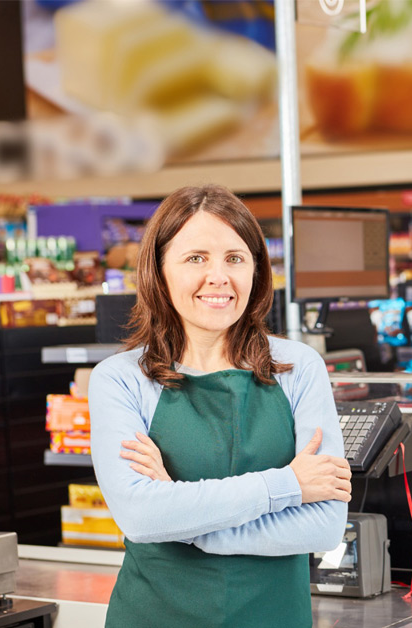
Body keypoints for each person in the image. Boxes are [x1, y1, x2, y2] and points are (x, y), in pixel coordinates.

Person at [88, 185, 350, 628]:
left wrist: (186, 524)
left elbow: (323, 526)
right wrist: (287, 485)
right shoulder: (120, 379)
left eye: (235, 258)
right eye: (196, 258)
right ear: (159, 270)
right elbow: (141, 516)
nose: (219, 276)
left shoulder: (299, 368)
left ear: (256, 270)